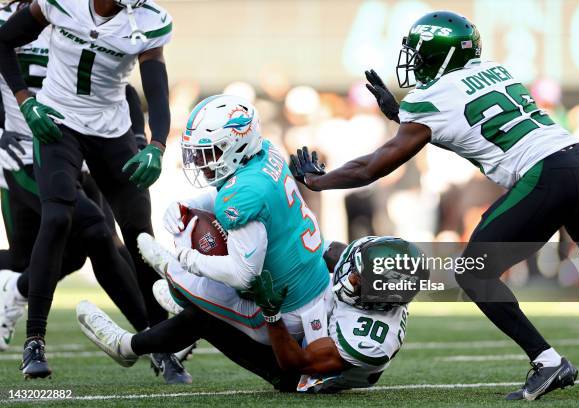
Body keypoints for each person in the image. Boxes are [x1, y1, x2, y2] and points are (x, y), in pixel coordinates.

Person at [288, 10, 579, 401]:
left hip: (547, 174)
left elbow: (373, 167)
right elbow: (465, 114)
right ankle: (547, 360)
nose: (416, 62)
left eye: (421, 53)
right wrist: (400, 114)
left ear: (441, 56)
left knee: (473, 272)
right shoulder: (495, 70)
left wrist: (318, 180)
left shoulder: (432, 98)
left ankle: (546, 360)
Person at [0, 0, 182, 380]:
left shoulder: (146, 19)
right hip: (50, 125)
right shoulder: (57, 5)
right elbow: (4, 41)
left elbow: (151, 88)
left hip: (108, 132)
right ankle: (34, 340)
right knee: (58, 219)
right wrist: (25, 102)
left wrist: (155, 143)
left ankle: (160, 344)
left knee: (136, 236)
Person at [76, 236, 420, 393]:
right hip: (317, 325)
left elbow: (296, 364)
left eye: (358, 279)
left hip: (302, 373)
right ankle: (184, 288)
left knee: (205, 319)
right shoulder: (374, 284)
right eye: (355, 267)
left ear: (380, 299)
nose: (349, 274)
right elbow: (321, 251)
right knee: (271, 269)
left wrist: (271, 316)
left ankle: (128, 346)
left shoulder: (369, 339)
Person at [139, 94, 332, 343]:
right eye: (197, 153)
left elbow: (244, 276)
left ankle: (178, 292)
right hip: (317, 287)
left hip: (287, 315)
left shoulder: (242, 195)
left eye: (209, 152)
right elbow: (231, 192)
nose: (199, 161)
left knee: (179, 271)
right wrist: (190, 205)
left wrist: (185, 257)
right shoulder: (265, 152)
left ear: (237, 145)